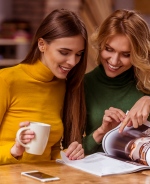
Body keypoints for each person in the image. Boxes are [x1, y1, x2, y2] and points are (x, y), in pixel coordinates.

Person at [83, 9, 150, 154]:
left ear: (138, 54)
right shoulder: (84, 84)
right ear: (100, 44)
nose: (114, 61)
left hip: (137, 172)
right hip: (92, 172)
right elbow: (70, 149)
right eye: (109, 49)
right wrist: (101, 131)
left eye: (126, 54)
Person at [0, 9, 88, 165]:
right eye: (64, 52)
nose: (73, 62)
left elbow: (51, 150)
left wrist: (67, 156)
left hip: (44, 178)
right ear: (42, 45)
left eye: (78, 54)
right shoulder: (6, 80)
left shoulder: (61, 85)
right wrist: (14, 150)